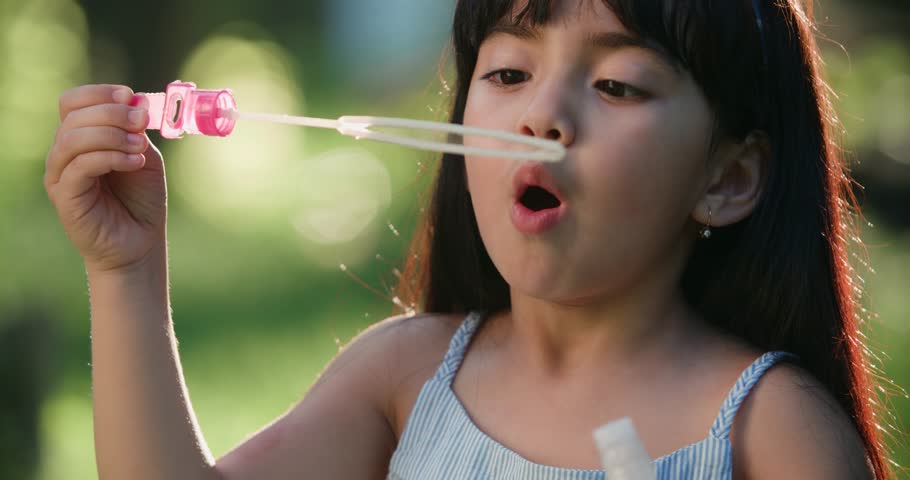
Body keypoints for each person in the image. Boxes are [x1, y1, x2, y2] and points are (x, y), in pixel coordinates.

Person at [44, 0, 893, 478]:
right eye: (509, 73)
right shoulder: (405, 380)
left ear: (728, 177)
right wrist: (126, 269)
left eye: (617, 85)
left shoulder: (771, 431)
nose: (541, 116)